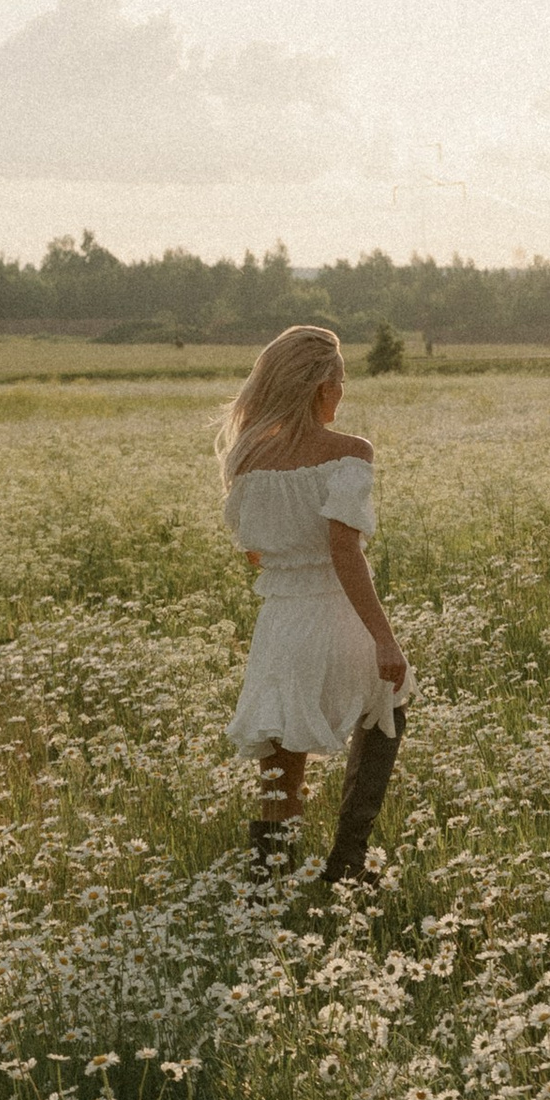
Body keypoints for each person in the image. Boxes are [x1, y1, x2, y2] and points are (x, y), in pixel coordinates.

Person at [218, 322, 409, 887]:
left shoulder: (248, 459)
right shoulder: (349, 453)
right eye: (341, 382)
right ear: (323, 385)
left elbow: (255, 553)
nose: (342, 394)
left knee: (280, 764)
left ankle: (267, 888)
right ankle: (348, 860)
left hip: (278, 623)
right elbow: (345, 552)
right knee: (390, 701)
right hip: (335, 613)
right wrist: (385, 637)